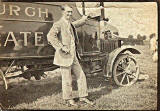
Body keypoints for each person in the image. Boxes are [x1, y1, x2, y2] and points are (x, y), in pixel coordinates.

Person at [47, 4, 94, 106]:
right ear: (62, 12)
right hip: (64, 56)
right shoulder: (58, 24)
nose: (69, 14)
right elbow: (50, 36)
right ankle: (69, 99)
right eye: (67, 12)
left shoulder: (70, 24)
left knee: (81, 76)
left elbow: (76, 23)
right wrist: (61, 47)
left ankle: (83, 97)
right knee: (67, 79)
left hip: (74, 56)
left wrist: (84, 18)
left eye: (71, 12)